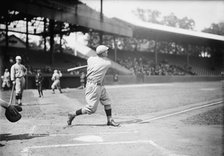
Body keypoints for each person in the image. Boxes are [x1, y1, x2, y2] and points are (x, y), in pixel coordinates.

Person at [67, 45, 120, 127]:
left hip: (100, 85)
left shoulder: (90, 59)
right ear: (102, 53)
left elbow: (95, 58)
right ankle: (72, 114)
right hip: (93, 87)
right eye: (106, 51)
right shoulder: (106, 63)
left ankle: (110, 120)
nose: (107, 52)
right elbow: (108, 63)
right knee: (91, 109)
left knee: (107, 101)